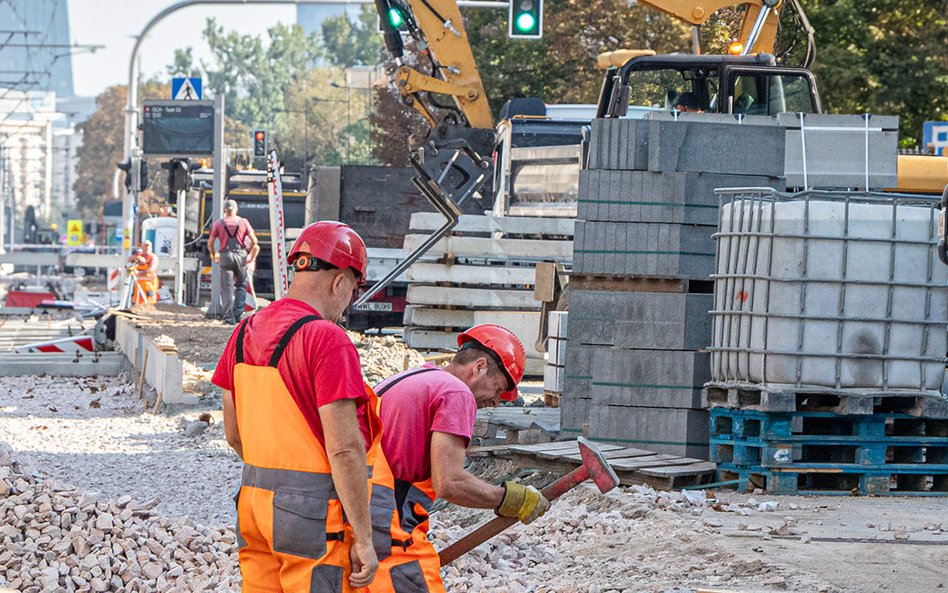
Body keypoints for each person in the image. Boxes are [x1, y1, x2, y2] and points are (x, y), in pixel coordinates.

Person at [214, 221, 396, 592]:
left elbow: (233, 434)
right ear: (340, 282)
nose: (347, 304)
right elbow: (344, 449)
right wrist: (363, 538)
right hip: (309, 516)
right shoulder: (326, 339)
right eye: (352, 291)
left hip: (252, 507)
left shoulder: (244, 331)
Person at [368, 325, 551, 593]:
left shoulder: (414, 378)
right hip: (387, 525)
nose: (496, 402)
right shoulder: (456, 393)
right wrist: (509, 498)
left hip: (356, 514)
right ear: (479, 367)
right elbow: (450, 483)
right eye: (498, 389)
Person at [208, 199, 259, 324]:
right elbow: (254, 241)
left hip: (225, 255)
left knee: (227, 288)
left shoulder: (218, 224)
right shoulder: (243, 222)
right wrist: (247, 251)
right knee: (241, 285)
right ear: (236, 209)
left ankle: (229, 317)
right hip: (240, 255)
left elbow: (210, 243)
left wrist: (214, 254)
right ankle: (237, 313)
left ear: (225, 210)